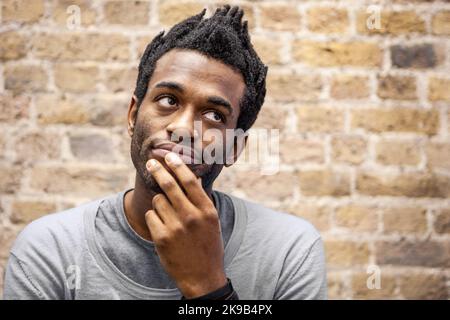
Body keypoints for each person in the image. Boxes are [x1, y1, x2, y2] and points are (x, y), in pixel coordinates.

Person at [3, 5, 327, 300]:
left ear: (235, 147)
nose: (183, 128)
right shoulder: (50, 250)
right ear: (133, 116)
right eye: (169, 100)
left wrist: (208, 286)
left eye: (214, 115)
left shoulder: (289, 251)